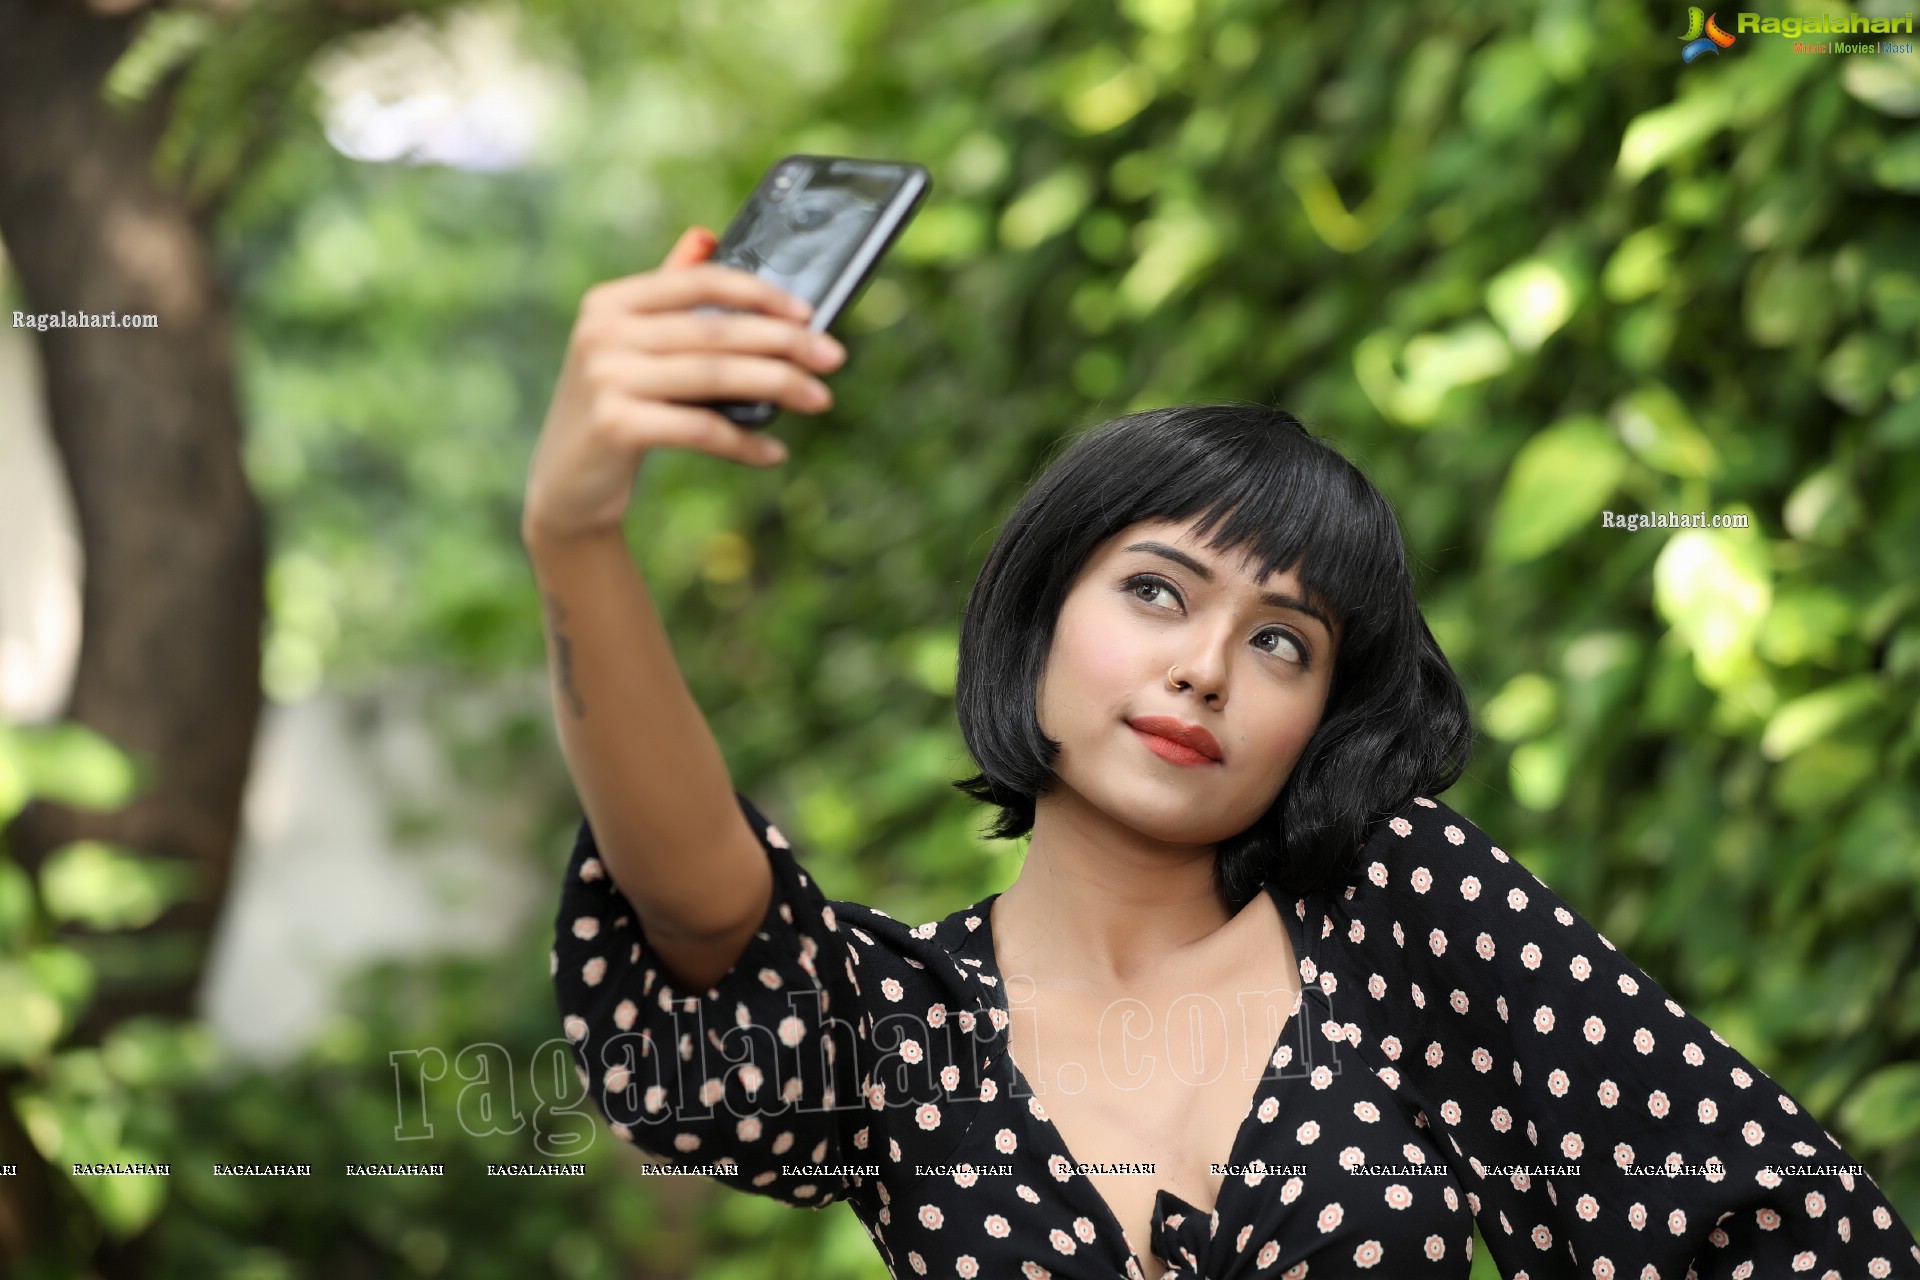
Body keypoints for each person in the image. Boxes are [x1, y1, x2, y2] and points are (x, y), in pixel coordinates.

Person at [523, 228, 1920, 1279]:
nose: (1206, 664)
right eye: (1156, 591)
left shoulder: (1397, 911)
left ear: (1319, 716)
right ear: (1041, 612)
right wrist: (576, 538)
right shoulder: (913, 1031)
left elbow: (1790, 1232)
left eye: (1282, 643)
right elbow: (702, 903)